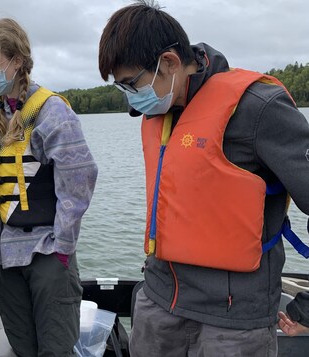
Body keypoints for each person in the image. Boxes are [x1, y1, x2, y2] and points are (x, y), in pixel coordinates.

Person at [98, 1, 309, 356]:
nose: (132, 97)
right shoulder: (155, 110)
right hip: (159, 301)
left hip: (233, 320)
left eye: (131, 83)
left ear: (169, 62)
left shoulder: (259, 107)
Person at [0, 18, 98, 357]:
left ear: (17, 60)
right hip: (0, 254)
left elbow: (79, 181)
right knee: (22, 348)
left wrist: (63, 247)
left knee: (55, 350)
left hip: (46, 252)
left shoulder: (53, 113)